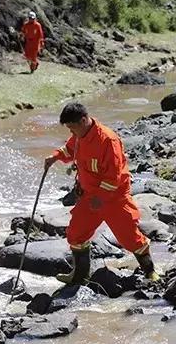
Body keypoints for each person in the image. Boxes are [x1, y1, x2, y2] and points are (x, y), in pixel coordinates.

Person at [45, 103, 160, 284]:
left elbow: (114, 176)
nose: (71, 132)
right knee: (76, 233)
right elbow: (69, 150)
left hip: (114, 198)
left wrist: (101, 198)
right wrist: (55, 156)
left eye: (72, 127)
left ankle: (150, 271)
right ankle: (80, 276)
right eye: (68, 129)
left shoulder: (108, 140)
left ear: (83, 120)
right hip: (89, 196)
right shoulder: (79, 134)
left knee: (130, 238)